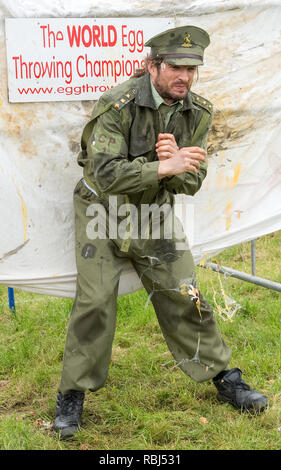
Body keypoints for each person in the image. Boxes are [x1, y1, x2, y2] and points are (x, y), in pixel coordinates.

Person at [54, 25, 268, 439]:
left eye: (192, 69)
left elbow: (192, 181)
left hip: (154, 212)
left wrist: (178, 169)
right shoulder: (118, 103)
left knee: (186, 294)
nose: (184, 77)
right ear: (153, 65)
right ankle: (72, 395)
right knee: (95, 302)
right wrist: (161, 166)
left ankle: (224, 378)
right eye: (175, 67)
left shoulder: (197, 113)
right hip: (104, 211)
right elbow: (102, 172)